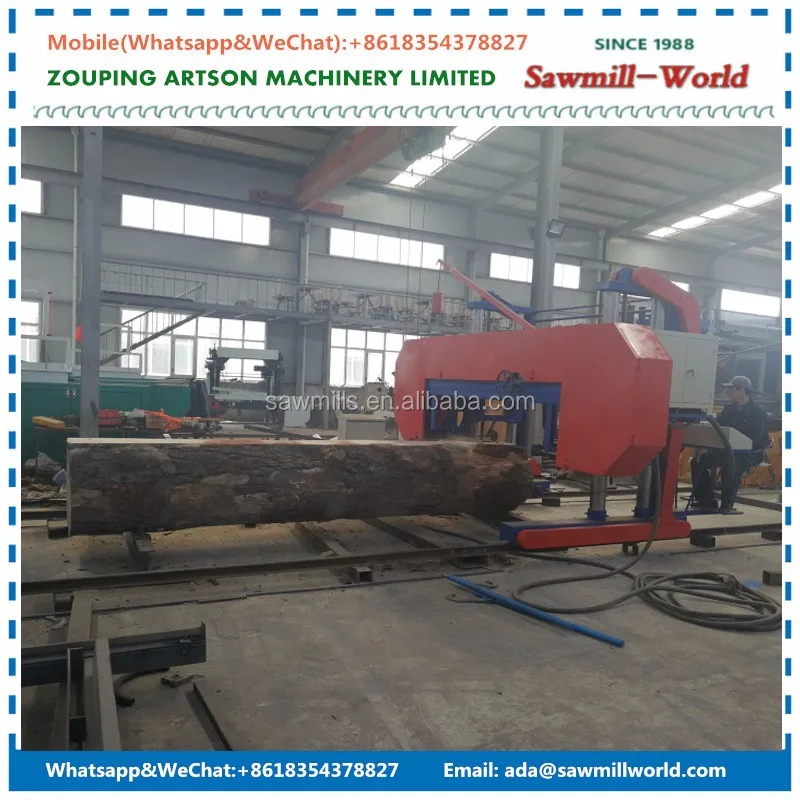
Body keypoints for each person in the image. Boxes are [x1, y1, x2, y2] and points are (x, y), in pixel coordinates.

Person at [691, 376, 770, 514]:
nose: (729, 392)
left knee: (731, 465)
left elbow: (755, 437)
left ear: (742, 390)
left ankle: (727, 504)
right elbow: (718, 427)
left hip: (750, 452)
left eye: (732, 389)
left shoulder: (758, 413)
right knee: (698, 461)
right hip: (727, 450)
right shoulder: (728, 409)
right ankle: (706, 500)